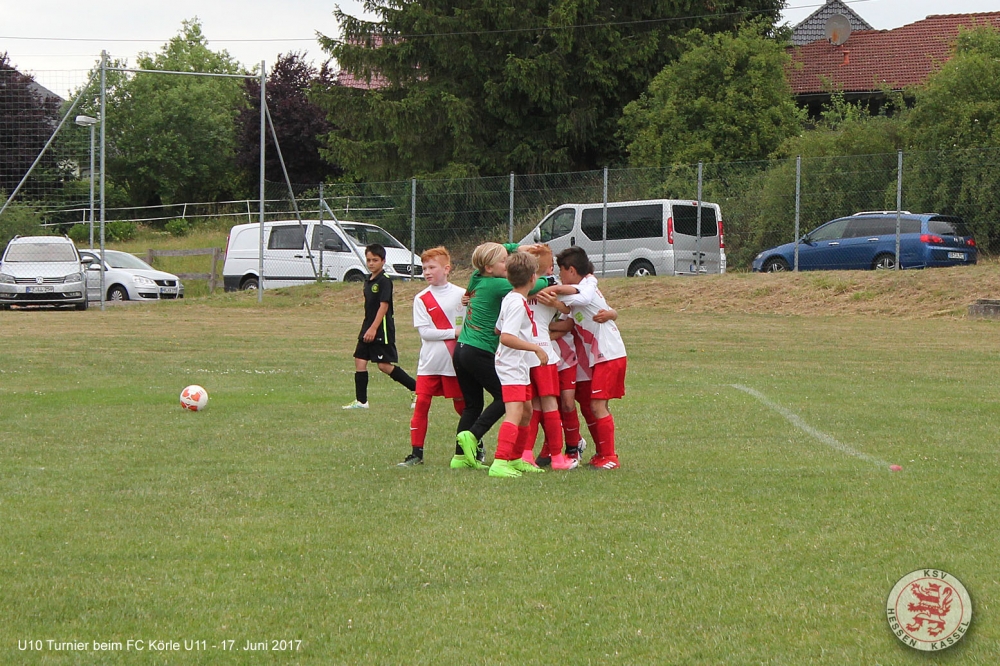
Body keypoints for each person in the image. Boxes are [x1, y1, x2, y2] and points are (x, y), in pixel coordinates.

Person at [452, 242, 548, 468]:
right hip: (479, 350)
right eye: (503, 261)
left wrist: (517, 246)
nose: (507, 264)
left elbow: (488, 255)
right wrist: (548, 279)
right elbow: (531, 284)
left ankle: (460, 457)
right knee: (506, 398)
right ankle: (474, 435)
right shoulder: (499, 285)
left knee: (472, 405)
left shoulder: (476, 277)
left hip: (462, 349)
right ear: (488, 267)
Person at [541, 247, 626, 469]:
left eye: (561, 271)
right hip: (596, 356)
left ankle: (610, 456)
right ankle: (601, 454)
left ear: (571, 270)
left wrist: (552, 290)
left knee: (597, 405)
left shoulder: (586, 286)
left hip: (608, 354)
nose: (559, 276)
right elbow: (570, 316)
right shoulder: (582, 289)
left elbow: (585, 297)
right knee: (592, 404)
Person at [398, 247, 467, 467]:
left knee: (462, 407)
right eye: (424, 268)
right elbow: (426, 333)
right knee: (422, 404)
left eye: (432, 267)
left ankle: (474, 445)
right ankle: (416, 453)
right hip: (430, 363)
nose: (427, 272)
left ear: (446, 269)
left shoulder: (462, 294)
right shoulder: (421, 298)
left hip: (455, 362)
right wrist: (454, 332)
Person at [487, 251, 549, 478]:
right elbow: (505, 337)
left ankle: (515, 458)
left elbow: (498, 328)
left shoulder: (512, 298)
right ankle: (500, 461)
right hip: (511, 365)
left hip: (519, 364)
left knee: (526, 411)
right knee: (514, 412)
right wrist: (535, 348)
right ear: (533, 278)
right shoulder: (516, 303)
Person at [520, 244, 577, 470]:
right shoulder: (552, 287)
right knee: (550, 404)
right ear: (548, 268)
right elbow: (574, 298)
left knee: (532, 405)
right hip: (544, 352)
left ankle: (526, 454)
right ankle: (556, 456)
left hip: (523, 352)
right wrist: (557, 301)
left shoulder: (516, 290)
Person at [343, 243, 417, 410]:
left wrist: (373, 328)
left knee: (383, 365)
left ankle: (418, 389)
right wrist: (367, 327)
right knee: (360, 360)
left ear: (383, 261)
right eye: (368, 260)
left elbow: (384, 306)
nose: (371, 263)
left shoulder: (384, 281)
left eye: (375, 260)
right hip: (367, 326)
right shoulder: (368, 280)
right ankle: (361, 402)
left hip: (380, 329)